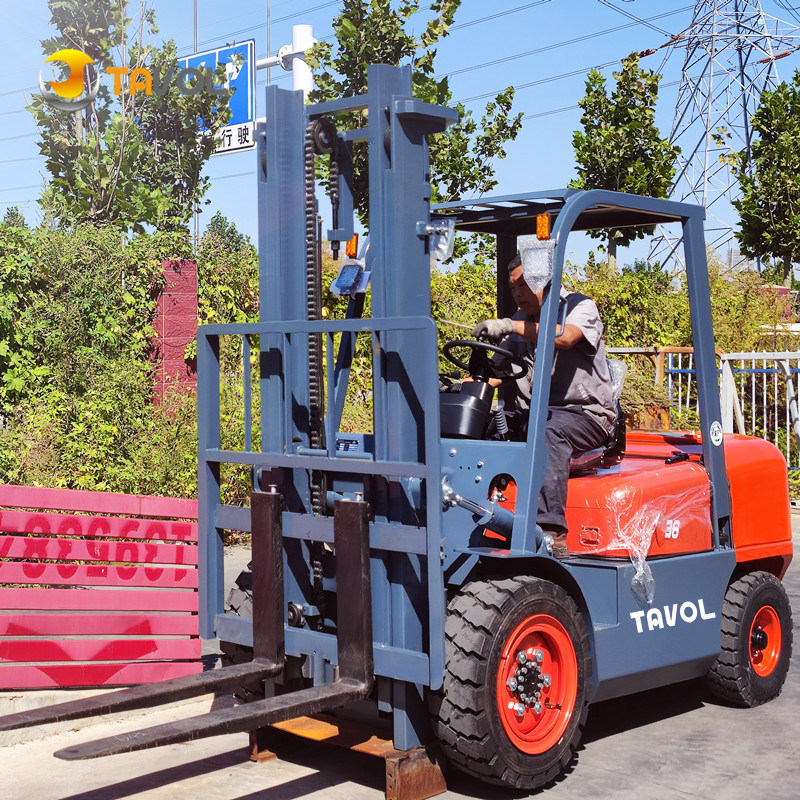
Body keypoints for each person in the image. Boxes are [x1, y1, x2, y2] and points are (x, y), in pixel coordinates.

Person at [472, 254, 616, 558]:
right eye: (514, 288)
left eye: (525, 284)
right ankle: (473, 509)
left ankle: (551, 531)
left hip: (586, 415)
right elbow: (501, 373)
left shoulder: (579, 306)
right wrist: (465, 387)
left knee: (548, 431)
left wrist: (510, 325)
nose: (519, 293)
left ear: (545, 282)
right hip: (538, 414)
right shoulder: (520, 320)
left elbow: (566, 338)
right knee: (479, 423)